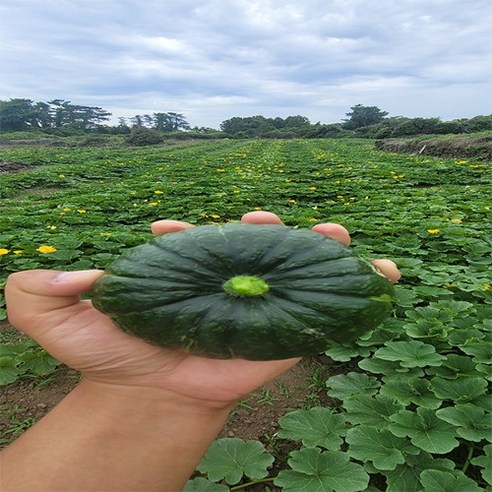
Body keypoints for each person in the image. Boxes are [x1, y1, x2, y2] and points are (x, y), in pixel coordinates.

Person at [0, 211, 400, 492]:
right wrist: (141, 386)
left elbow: (359, 296)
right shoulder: (152, 296)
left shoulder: (315, 292)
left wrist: (152, 393)